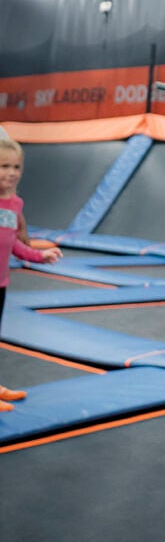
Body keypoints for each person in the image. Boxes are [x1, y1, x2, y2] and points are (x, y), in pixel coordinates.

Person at [0, 138, 63, 410]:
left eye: (16, 167)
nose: (11, 172)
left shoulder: (14, 204)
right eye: (3, 166)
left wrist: (39, 255)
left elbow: (12, 242)